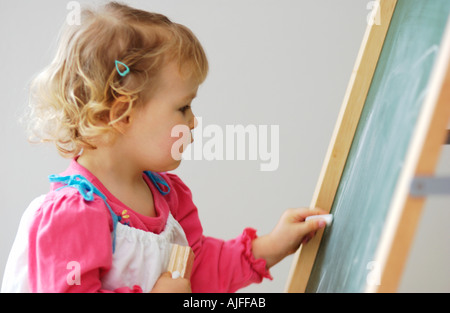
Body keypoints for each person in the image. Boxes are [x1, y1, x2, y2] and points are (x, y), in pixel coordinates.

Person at [1, 2, 327, 293]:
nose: (193, 121)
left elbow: (196, 270)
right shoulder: (72, 216)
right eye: (183, 107)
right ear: (122, 115)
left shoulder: (168, 196)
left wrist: (272, 246)